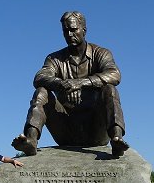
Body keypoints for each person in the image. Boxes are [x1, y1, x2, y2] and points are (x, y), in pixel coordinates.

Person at [12, 11, 129, 157]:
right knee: (42, 91)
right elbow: (39, 77)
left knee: (110, 89)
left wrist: (81, 83)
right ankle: (31, 140)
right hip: (65, 130)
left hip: (95, 130)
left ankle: (117, 139)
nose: (69, 34)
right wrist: (60, 83)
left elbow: (115, 74)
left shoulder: (101, 53)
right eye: (65, 31)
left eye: (73, 30)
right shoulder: (55, 58)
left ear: (84, 30)